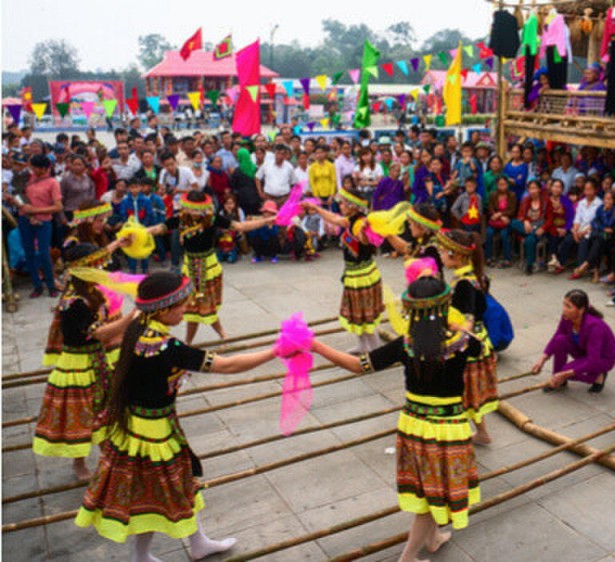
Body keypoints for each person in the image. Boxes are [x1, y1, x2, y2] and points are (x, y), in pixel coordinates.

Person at [75, 271, 283, 561]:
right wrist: (276, 351)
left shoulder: (137, 327)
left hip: (138, 425)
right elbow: (228, 366)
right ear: (163, 309)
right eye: (181, 305)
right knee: (163, 491)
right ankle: (151, 553)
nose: (187, 309)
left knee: (163, 490)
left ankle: (190, 544)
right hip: (154, 435)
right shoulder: (167, 348)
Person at [310, 274, 480, 562]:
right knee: (430, 500)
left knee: (427, 490)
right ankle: (407, 558)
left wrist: (318, 347)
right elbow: (477, 343)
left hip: (413, 427)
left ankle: (434, 538)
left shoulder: (406, 344)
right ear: (443, 307)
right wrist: (457, 321)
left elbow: (359, 365)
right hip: (447, 430)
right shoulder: (462, 342)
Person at [33, 243, 135, 480]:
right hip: (77, 365)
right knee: (80, 415)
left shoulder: (92, 292)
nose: (100, 268)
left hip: (97, 360)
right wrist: (132, 318)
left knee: (104, 409)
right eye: (94, 265)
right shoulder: (73, 303)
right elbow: (98, 333)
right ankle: (79, 463)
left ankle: (109, 458)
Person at [148, 191, 275, 344]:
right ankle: (197, 340)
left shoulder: (212, 219)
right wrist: (139, 233)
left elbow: (240, 226)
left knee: (206, 306)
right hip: (189, 269)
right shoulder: (180, 220)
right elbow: (158, 229)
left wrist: (268, 219)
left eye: (198, 210)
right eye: (192, 210)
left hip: (208, 267)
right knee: (192, 308)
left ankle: (218, 335)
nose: (195, 214)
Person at [302, 187, 384, 352]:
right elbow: (334, 218)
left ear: (353, 206)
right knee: (356, 313)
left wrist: (364, 232)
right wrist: (317, 208)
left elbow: (365, 240)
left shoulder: (360, 223)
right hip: (354, 274)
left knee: (364, 314)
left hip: (362, 275)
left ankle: (376, 348)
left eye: (343, 202)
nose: (340, 205)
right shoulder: (351, 219)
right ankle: (362, 345)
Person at [437, 229, 498, 444]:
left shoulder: (465, 283)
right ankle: (481, 433)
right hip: (474, 340)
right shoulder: (468, 276)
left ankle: (469, 434)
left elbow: (468, 321)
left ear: (456, 255)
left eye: (443, 252)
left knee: (462, 392)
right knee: (466, 393)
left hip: (467, 344)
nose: (441, 255)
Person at [531, 289, 615, 393]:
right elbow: (557, 336)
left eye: (568, 306)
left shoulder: (595, 326)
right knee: (560, 340)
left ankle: (598, 376)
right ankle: (559, 381)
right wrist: (542, 360)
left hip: (601, 358)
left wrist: (565, 374)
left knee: (566, 371)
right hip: (583, 350)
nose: (564, 309)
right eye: (564, 304)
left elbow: (593, 359)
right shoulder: (567, 317)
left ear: (581, 310)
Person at [11, 154, 62, 298]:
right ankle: (37, 285)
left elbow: (58, 207)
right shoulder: (28, 179)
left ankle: (51, 285)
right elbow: (19, 196)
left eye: (35, 167)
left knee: (45, 254)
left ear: (44, 169)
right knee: (29, 253)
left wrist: (35, 211)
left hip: (44, 221)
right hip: (25, 219)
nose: (32, 169)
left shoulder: (52, 182)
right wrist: (14, 201)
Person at [555, 180, 602, 274]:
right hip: (579, 229)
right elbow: (577, 218)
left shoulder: (599, 203)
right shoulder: (581, 203)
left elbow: (596, 222)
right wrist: (576, 231)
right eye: (586, 190)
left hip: (590, 230)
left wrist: (583, 232)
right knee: (568, 240)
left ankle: (580, 269)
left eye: (590, 190)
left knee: (583, 242)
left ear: (595, 190)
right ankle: (561, 263)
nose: (588, 192)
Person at [572, 190, 615, 282]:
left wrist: (604, 218)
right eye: (605, 199)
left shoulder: (614, 210)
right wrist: (603, 228)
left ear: (613, 200)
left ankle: (587, 266)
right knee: (597, 242)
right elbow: (594, 222)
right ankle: (592, 270)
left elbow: (610, 224)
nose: (607, 201)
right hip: (600, 235)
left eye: (609, 199)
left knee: (598, 242)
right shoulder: (600, 208)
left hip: (611, 238)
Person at [387, 203, 444, 272]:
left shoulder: (432, 249)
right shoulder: (423, 240)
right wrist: (387, 234)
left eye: (411, 224)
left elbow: (426, 272)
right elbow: (405, 248)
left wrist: (410, 261)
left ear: (420, 226)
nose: (409, 227)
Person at [512, 180, 548, 274]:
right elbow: (520, 215)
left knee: (530, 239)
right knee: (514, 222)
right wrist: (525, 221)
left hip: (540, 228)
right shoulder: (526, 200)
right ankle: (533, 233)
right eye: (531, 188)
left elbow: (550, 219)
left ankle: (529, 265)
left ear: (539, 189)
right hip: (528, 228)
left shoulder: (545, 201)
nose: (533, 191)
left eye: (535, 188)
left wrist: (543, 228)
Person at [484, 176, 517, 268]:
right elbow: (490, 208)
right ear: (497, 185)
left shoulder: (512, 195)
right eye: (500, 184)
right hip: (495, 220)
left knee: (504, 234)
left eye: (504, 184)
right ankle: (489, 257)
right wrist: (496, 215)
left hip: (506, 220)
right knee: (489, 233)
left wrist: (501, 215)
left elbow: (512, 210)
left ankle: (507, 259)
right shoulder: (493, 195)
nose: (502, 186)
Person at [544, 179, 574, 271]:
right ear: (551, 188)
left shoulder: (566, 201)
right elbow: (545, 217)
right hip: (551, 227)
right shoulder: (546, 200)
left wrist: (565, 229)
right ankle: (554, 260)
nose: (556, 189)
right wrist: (555, 228)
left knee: (568, 240)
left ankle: (560, 263)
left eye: (559, 187)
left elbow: (571, 217)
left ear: (562, 189)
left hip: (564, 227)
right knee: (552, 235)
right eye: (555, 186)